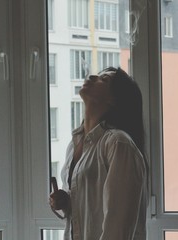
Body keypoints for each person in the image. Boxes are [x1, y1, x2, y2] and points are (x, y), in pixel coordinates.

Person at [49, 67, 148, 240]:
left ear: (114, 100)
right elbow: (89, 206)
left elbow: (118, 229)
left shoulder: (118, 143)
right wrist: (66, 202)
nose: (93, 76)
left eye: (105, 80)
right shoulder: (75, 144)